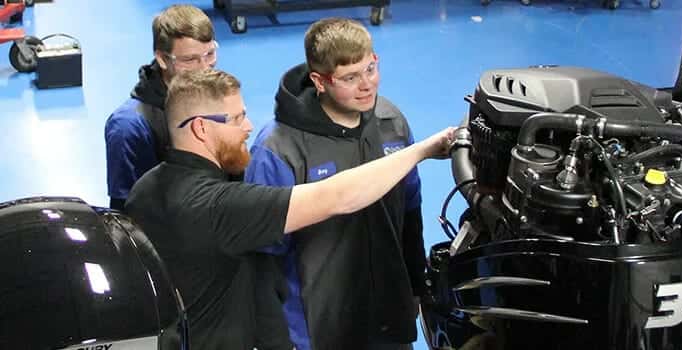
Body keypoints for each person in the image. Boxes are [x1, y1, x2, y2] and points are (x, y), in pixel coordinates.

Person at [124, 68, 453, 350]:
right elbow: (336, 196)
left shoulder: (145, 189)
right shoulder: (218, 206)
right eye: (237, 117)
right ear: (201, 128)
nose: (249, 126)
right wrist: (422, 150)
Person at [245, 18, 425, 350]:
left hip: (387, 317)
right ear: (320, 80)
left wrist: (415, 285)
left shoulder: (391, 122)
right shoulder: (279, 148)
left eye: (371, 68)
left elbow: (411, 211)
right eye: (350, 77)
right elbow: (262, 255)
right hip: (315, 328)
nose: (367, 85)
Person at [105, 4, 219, 210]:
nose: (204, 69)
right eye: (190, 59)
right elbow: (126, 211)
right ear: (162, 59)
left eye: (210, 54)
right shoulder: (129, 128)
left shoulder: (214, 94)